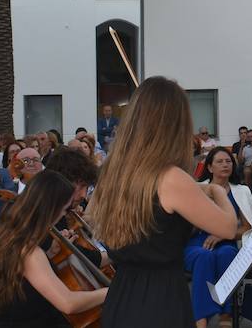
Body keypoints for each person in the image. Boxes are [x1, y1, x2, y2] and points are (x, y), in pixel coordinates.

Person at [90, 76, 238, 326]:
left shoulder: (114, 172)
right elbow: (228, 227)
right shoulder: (170, 177)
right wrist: (218, 192)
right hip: (160, 299)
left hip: (122, 295)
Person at [0, 170, 108, 327]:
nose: (63, 215)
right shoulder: (29, 251)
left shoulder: (12, 234)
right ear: (51, 208)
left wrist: (50, 254)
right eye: (64, 209)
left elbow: (24, 280)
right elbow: (68, 303)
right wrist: (112, 291)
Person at [185, 147, 252, 328]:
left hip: (227, 240)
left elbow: (247, 228)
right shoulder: (198, 189)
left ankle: (226, 314)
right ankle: (201, 321)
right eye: (220, 161)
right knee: (203, 256)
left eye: (229, 161)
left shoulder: (242, 191)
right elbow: (187, 227)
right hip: (197, 241)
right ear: (209, 167)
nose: (225, 165)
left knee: (226, 255)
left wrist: (221, 234)